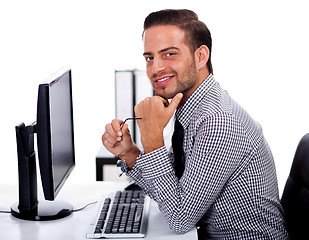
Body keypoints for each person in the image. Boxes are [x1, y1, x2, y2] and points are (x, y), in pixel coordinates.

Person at [102, 9, 289, 239]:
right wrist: (130, 154)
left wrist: (152, 138)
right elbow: (171, 192)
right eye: (149, 57)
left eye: (169, 54)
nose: (155, 69)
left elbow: (179, 219)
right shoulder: (193, 108)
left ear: (200, 56)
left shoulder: (218, 121)